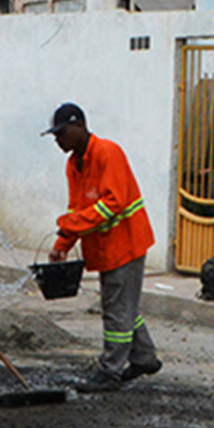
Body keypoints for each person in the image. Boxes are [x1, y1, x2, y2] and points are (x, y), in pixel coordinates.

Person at [46, 102, 160, 393]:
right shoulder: (74, 164)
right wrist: (62, 244)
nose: (58, 140)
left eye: (61, 133)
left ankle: (110, 370)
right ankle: (144, 357)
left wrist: (68, 226)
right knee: (124, 306)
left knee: (116, 309)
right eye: (55, 135)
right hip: (105, 248)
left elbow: (114, 202)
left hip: (126, 243)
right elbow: (77, 209)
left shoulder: (108, 152)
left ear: (80, 126)